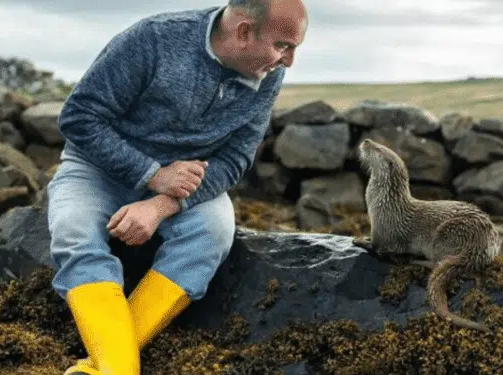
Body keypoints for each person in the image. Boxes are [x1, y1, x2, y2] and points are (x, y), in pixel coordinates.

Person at [45, 1, 308, 374]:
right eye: (284, 46)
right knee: (74, 230)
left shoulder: (268, 72)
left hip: (185, 185)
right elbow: (79, 118)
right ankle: (121, 369)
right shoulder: (152, 39)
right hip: (96, 170)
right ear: (245, 32)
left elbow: (235, 159)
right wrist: (152, 174)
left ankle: (106, 364)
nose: (289, 61)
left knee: (214, 231)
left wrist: (160, 204)